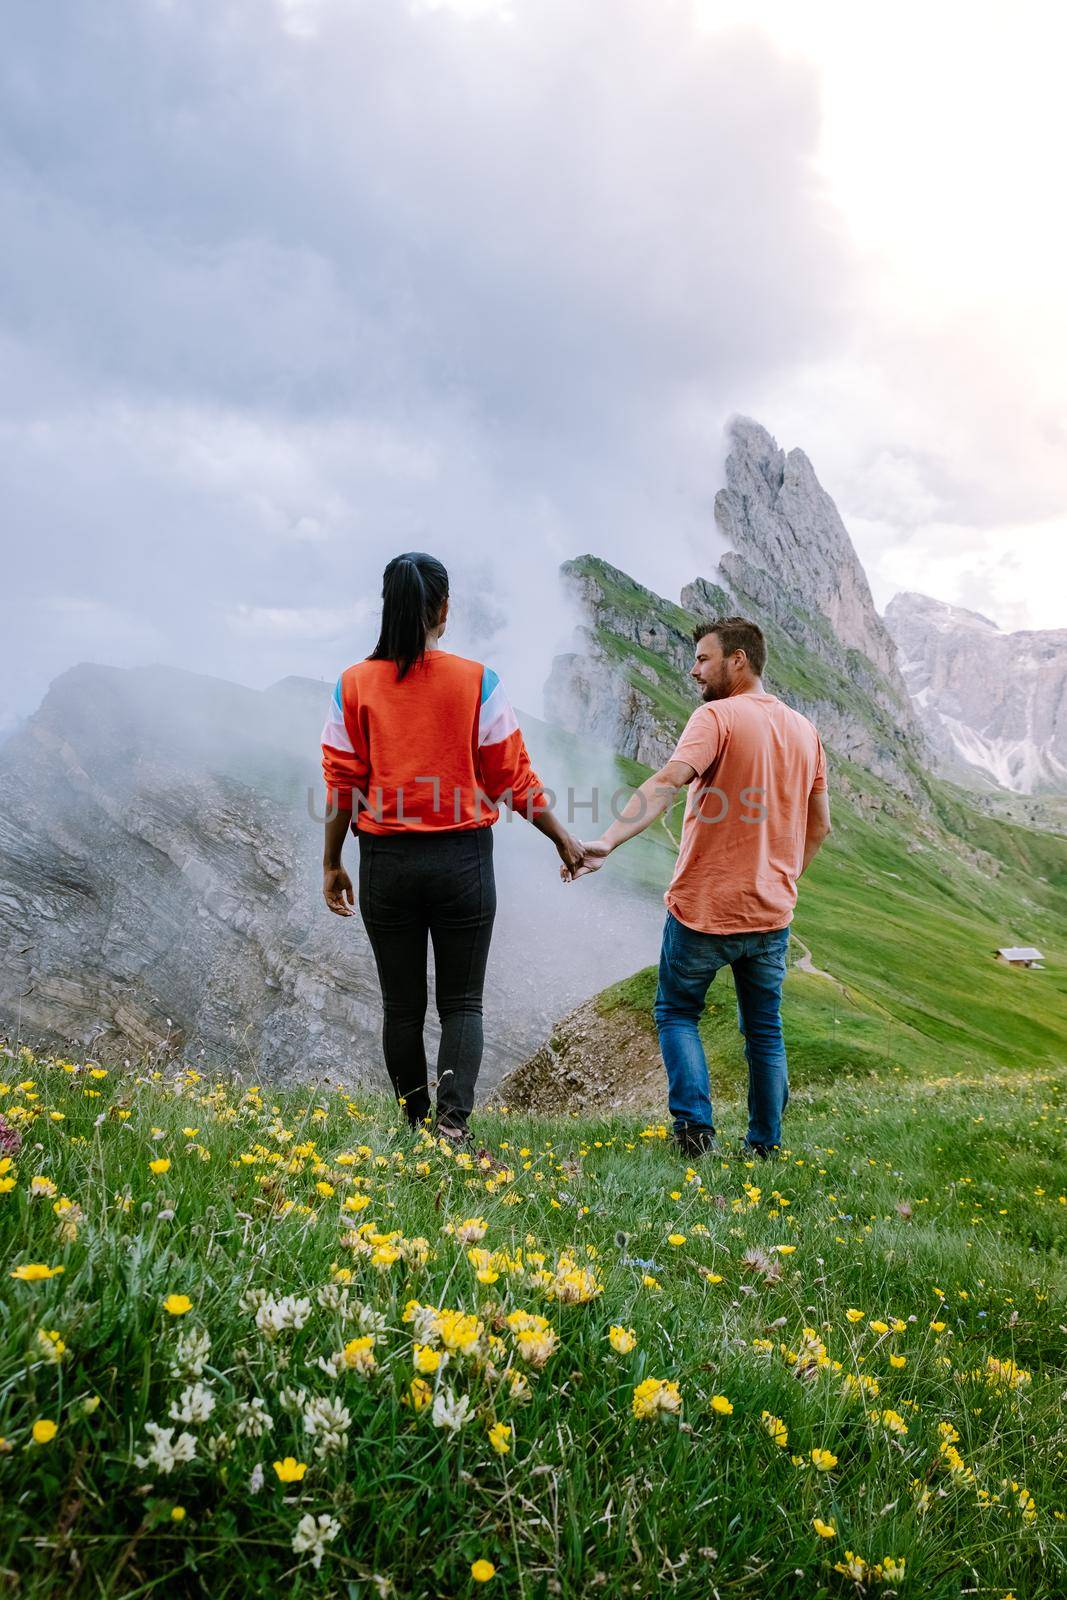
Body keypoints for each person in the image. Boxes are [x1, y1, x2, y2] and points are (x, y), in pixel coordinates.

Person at [321, 552, 583, 1142]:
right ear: (442, 609)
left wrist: (333, 861)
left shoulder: (352, 685)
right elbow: (513, 778)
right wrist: (563, 840)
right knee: (463, 1003)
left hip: (386, 862)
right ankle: (453, 1128)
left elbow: (341, 783)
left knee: (402, 1007)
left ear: (389, 607)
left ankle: (415, 1127)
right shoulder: (478, 681)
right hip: (463, 860)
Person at [566, 616, 831, 1159]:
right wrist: (784, 876)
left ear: (738, 660)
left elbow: (666, 783)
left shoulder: (715, 717)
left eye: (703, 659)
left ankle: (695, 1132)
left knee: (676, 1012)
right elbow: (819, 824)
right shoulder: (806, 731)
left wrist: (607, 841)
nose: (693, 671)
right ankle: (764, 1146)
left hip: (704, 908)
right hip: (771, 914)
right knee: (765, 1031)